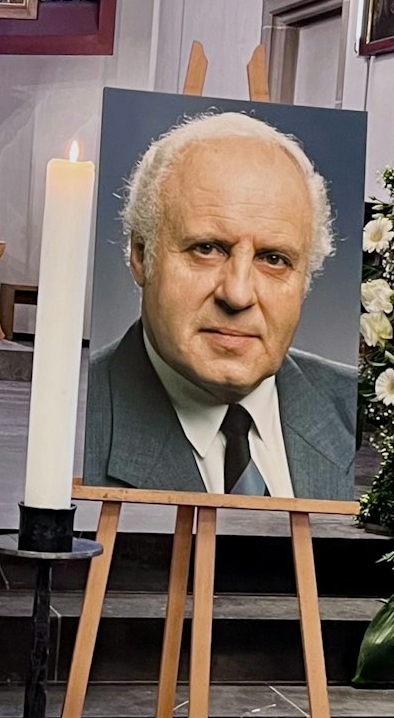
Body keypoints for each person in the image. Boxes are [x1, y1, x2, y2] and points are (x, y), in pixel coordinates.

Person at [83, 112, 357, 500]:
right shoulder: (74, 421)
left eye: (274, 259)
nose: (239, 294)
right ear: (141, 255)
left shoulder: (365, 414)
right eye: (207, 249)